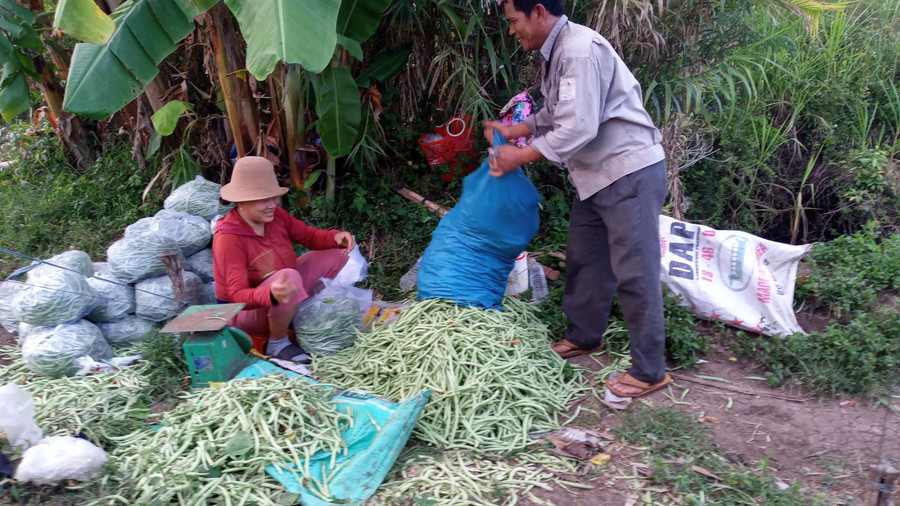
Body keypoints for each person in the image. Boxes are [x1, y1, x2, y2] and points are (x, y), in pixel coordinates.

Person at [483, 0, 670, 398]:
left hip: (628, 171)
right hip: (598, 176)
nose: (512, 30)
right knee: (586, 258)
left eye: (514, 21)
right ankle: (585, 336)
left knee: (634, 270)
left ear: (537, 11)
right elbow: (556, 113)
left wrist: (520, 154)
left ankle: (650, 370)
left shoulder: (578, 49)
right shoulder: (559, 50)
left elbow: (578, 126)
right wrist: (517, 129)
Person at [212, 156, 355, 363]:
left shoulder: (276, 216)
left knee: (336, 254)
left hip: (281, 290)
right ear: (242, 201)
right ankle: (277, 343)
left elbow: (309, 236)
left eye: (274, 197)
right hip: (242, 313)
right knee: (290, 277)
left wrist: (334, 237)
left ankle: (291, 314)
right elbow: (236, 295)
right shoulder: (228, 238)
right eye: (264, 200)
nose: (272, 205)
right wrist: (269, 294)